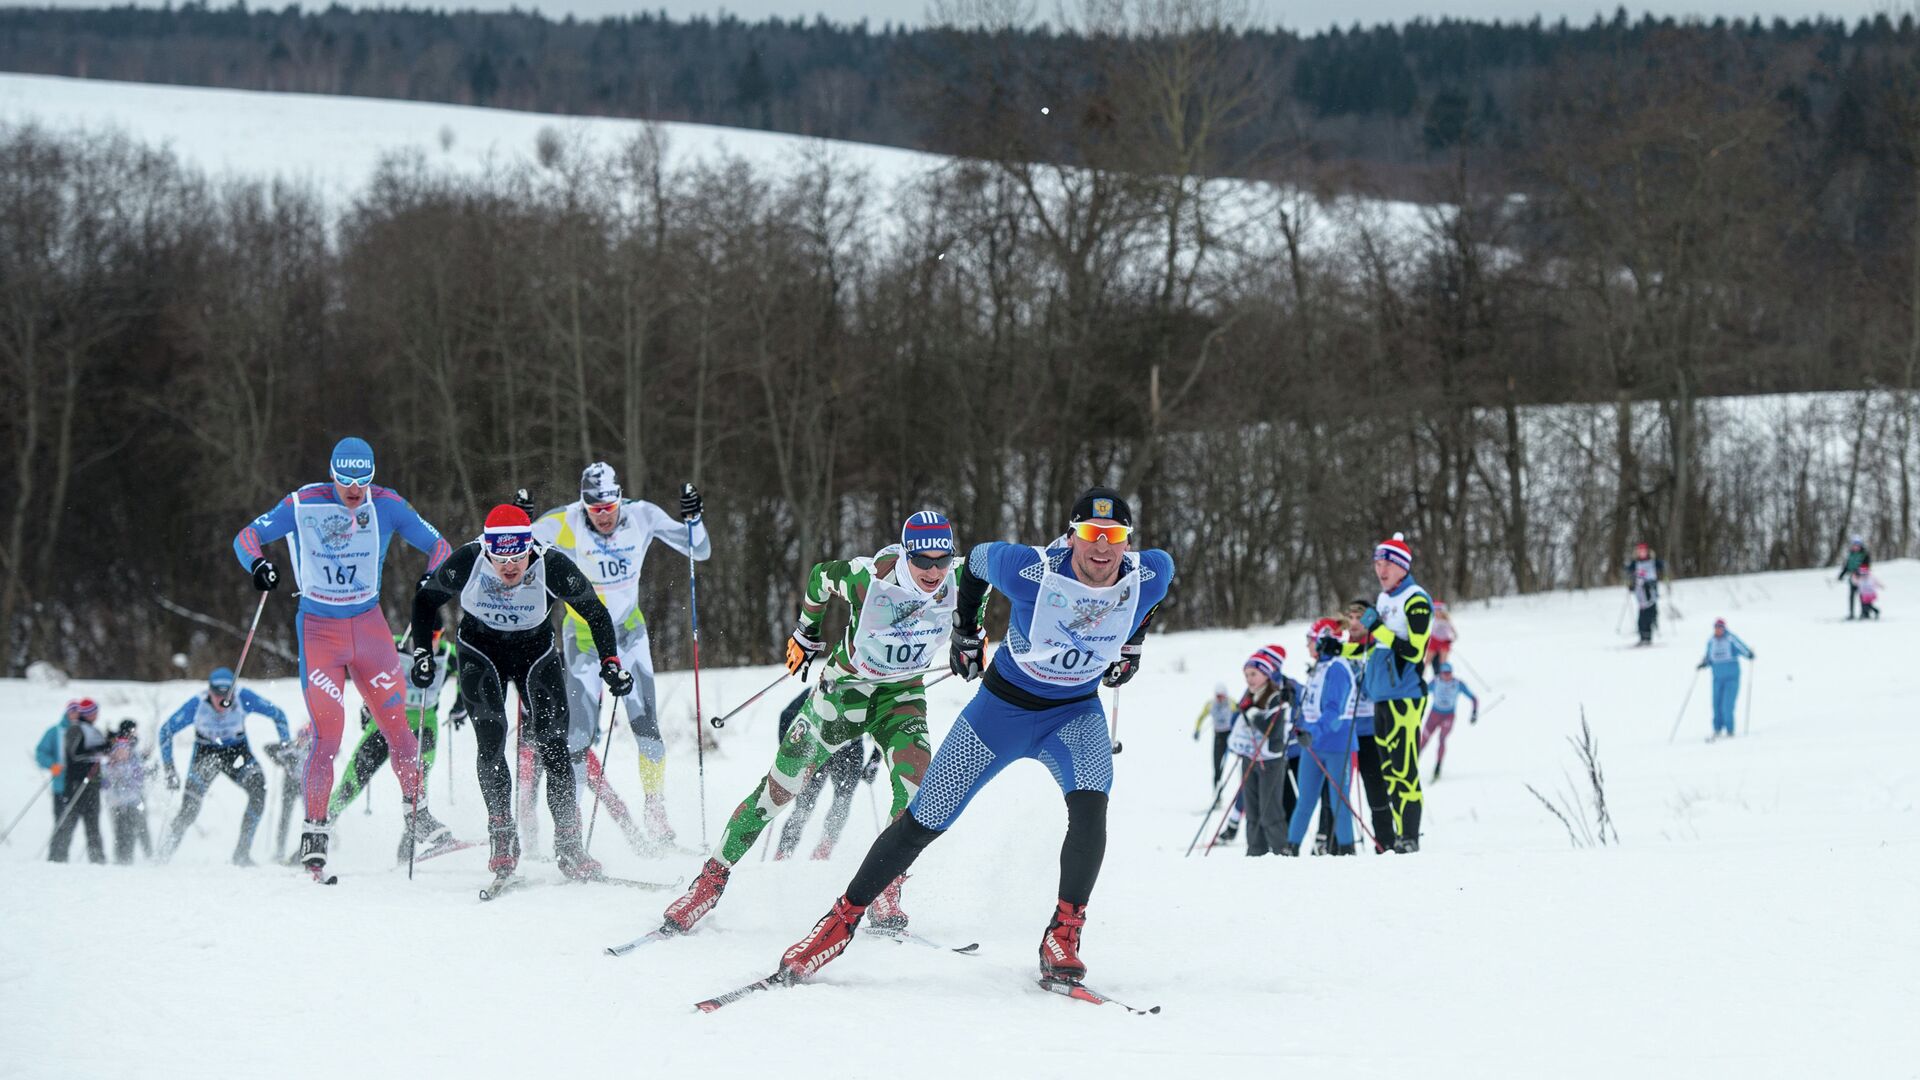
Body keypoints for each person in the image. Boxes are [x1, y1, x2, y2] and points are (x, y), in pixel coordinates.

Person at [775, 487, 1173, 987]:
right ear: (1072, 536)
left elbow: (1152, 597)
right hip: (1002, 710)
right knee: (923, 822)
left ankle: (1063, 936)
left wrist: (1132, 644)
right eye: (1091, 534)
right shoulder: (1032, 569)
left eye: (1114, 537)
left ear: (1127, 542)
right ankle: (838, 924)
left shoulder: (1152, 572)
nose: (1102, 548)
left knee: (1092, 807)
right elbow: (979, 560)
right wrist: (967, 629)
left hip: (1076, 713)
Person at [662, 511, 977, 936]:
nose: (934, 571)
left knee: (917, 791)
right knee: (778, 791)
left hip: (900, 697)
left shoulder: (965, 578)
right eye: (923, 561)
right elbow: (819, 577)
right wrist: (806, 633)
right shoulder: (867, 578)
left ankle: (887, 887)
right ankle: (709, 883)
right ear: (906, 555)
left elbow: (995, 590)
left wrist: (970, 636)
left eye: (943, 560)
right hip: (842, 695)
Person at [232, 436, 453, 881]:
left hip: (369, 630)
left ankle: (421, 820)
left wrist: (433, 577)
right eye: (345, 479)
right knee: (327, 738)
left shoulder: (387, 505)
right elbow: (247, 536)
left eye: (363, 480)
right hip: (319, 633)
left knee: (401, 731)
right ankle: (315, 836)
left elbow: (441, 547)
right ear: (332, 473)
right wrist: (257, 565)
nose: (354, 489)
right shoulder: (303, 503)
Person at [410, 504, 632, 886]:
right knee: (492, 741)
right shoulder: (469, 559)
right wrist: (421, 653)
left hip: (535, 653)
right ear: (487, 550)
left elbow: (594, 611)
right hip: (480, 651)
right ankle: (503, 837)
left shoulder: (552, 565)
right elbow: (425, 600)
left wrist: (610, 661)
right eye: (500, 559)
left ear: (530, 547)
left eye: (517, 558)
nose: (510, 568)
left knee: (554, 745)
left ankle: (569, 844)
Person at [532, 464, 709, 848]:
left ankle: (656, 814)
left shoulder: (642, 515)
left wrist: (694, 518)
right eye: (595, 509)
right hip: (582, 638)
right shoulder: (563, 522)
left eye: (609, 506)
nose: (604, 516)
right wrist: (518, 521)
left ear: (619, 498)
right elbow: (511, 550)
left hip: (628, 635)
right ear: (584, 505)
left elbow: (700, 549)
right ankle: (571, 828)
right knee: (578, 736)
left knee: (647, 728)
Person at [327, 631, 465, 861]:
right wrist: (367, 704)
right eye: (429, 633)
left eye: (438, 634)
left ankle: (408, 849)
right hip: (385, 723)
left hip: (423, 725)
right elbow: (365, 668)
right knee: (352, 781)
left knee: (418, 785)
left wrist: (460, 705)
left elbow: (465, 671)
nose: (434, 639)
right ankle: (320, 827)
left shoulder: (447, 653)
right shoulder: (394, 645)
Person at [1343, 533, 1431, 853]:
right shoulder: (1384, 599)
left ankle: (1410, 838)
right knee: (1389, 774)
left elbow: (1414, 650)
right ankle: (1394, 838)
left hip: (1405, 697)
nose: (1380, 570)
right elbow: (1376, 645)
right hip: (1380, 695)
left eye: (1387, 564)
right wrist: (1339, 649)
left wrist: (1377, 628)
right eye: (1377, 563)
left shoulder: (1415, 599)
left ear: (1402, 567)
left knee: (1404, 770)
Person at [156, 667, 291, 866]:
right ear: (209, 691)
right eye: (217, 695)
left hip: (237, 753)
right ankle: (163, 856)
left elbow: (278, 714)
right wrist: (169, 768)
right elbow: (165, 731)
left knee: (258, 789)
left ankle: (241, 854)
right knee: (189, 810)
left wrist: (285, 746)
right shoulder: (197, 704)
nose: (222, 701)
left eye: (226, 695)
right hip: (206, 754)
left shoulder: (243, 697)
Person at [771, 691, 878, 862]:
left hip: (850, 751)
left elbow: (883, 725)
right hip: (819, 748)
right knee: (805, 805)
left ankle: (823, 851)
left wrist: (874, 762)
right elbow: (787, 715)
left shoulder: (869, 689)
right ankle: (783, 854)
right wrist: (787, 753)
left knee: (840, 803)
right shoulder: (824, 685)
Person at [1287, 622, 1358, 857]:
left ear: (1322, 640)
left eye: (1310, 639)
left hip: (1337, 744)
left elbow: (1333, 710)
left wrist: (1312, 733)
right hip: (1313, 745)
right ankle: (1291, 847)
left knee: (1339, 799)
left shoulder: (1337, 668)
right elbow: (1310, 707)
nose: (1307, 644)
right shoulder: (1319, 667)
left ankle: (1347, 849)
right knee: (1305, 799)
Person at [1227, 645, 1295, 857]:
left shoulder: (1276, 696)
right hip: (1250, 757)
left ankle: (1280, 850)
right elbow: (1237, 722)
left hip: (1271, 761)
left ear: (1266, 674)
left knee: (1269, 809)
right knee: (1252, 808)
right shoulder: (1249, 695)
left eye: (1254, 674)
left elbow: (1273, 732)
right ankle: (1255, 851)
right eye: (1247, 675)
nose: (1249, 679)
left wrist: (1253, 714)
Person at [48, 704, 109, 863]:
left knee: (93, 824)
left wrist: (106, 746)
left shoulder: (93, 730)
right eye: (95, 712)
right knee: (68, 821)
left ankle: (98, 860)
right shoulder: (75, 729)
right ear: (88, 713)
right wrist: (98, 751)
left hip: (92, 784)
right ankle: (56, 858)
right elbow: (75, 754)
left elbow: (97, 750)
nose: (97, 715)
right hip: (76, 783)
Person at [103, 720, 154, 864]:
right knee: (122, 831)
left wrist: (146, 771)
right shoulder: (119, 746)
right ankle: (123, 860)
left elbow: (137, 773)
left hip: (132, 798)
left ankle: (140, 857)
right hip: (119, 801)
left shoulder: (130, 747)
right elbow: (108, 777)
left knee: (134, 828)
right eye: (133, 730)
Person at [1697, 618, 1755, 741]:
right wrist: (1703, 663)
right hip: (1717, 678)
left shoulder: (1730, 639)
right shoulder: (1711, 642)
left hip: (1731, 678)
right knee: (1716, 705)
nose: (1718, 630)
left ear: (1724, 628)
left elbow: (1742, 648)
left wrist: (1749, 653)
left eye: (1720, 627)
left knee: (1727, 706)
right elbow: (1709, 657)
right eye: (1716, 627)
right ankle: (1717, 729)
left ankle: (1730, 730)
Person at [1420, 662, 1479, 781]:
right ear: (1440, 673)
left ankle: (1438, 767)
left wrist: (1474, 713)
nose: (1447, 676)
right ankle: (1412, 763)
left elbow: (1474, 698)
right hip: (1434, 715)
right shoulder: (1435, 682)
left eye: (1449, 673)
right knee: (1424, 740)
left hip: (1448, 716)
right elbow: (1421, 693)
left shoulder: (1457, 684)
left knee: (1442, 739)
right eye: (1444, 673)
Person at [34, 700, 87, 828]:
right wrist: (52, 765)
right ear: (67, 712)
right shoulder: (55, 731)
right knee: (62, 826)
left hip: (81, 785)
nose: (75, 715)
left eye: (78, 712)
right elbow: (41, 752)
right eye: (72, 712)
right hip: (61, 786)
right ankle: (58, 848)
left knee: (88, 826)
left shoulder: (85, 731)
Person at [1193, 683, 1235, 793]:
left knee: (1230, 765)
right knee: (1217, 767)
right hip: (1219, 737)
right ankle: (1217, 793)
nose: (1220, 699)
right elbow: (1201, 717)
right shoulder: (1210, 704)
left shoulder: (1231, 703)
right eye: (1217, 696)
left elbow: (1240, 716)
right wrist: (1197, 730)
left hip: (1230, 736)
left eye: (1222, 696)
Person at [1625, 541, 1666, 646]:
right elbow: (1629, 572)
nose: (1642, 553)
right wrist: (1631, 584)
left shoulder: (1653, 561)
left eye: (1644, 551)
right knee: (1642, 615)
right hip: (1640, 592)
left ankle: (1648, 636)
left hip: (1651, 590)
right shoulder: (1635, 563)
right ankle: (1643, 637)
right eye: (1640, 551)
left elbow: (1662, 566)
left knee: (1650, 613)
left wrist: (1663, 567)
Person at [1839, 536, 1872, 619]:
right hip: (1852, 579)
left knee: (1862, 596)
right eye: (1854, 545)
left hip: (1862, 579)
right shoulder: (1851, 555)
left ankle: (1865, 613)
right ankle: (1851, 614)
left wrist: (1859, 572)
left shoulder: (1865, 554)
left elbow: (1866, 566)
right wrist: (1841, 575)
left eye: (1858, 545)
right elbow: (1847, 566)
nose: (1856, 547)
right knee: (1851, 596)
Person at [1429, 600, 1458, 667]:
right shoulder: (1432, 619)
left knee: (1443, 662)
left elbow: (1453, 632)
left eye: (1438, 610)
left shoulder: (1446, 620)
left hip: (1444, 642)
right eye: (1435, 610)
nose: (1437, 612)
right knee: (1427, 661)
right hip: (1434, 640)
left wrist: (1452, 638)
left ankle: (1442, 675)